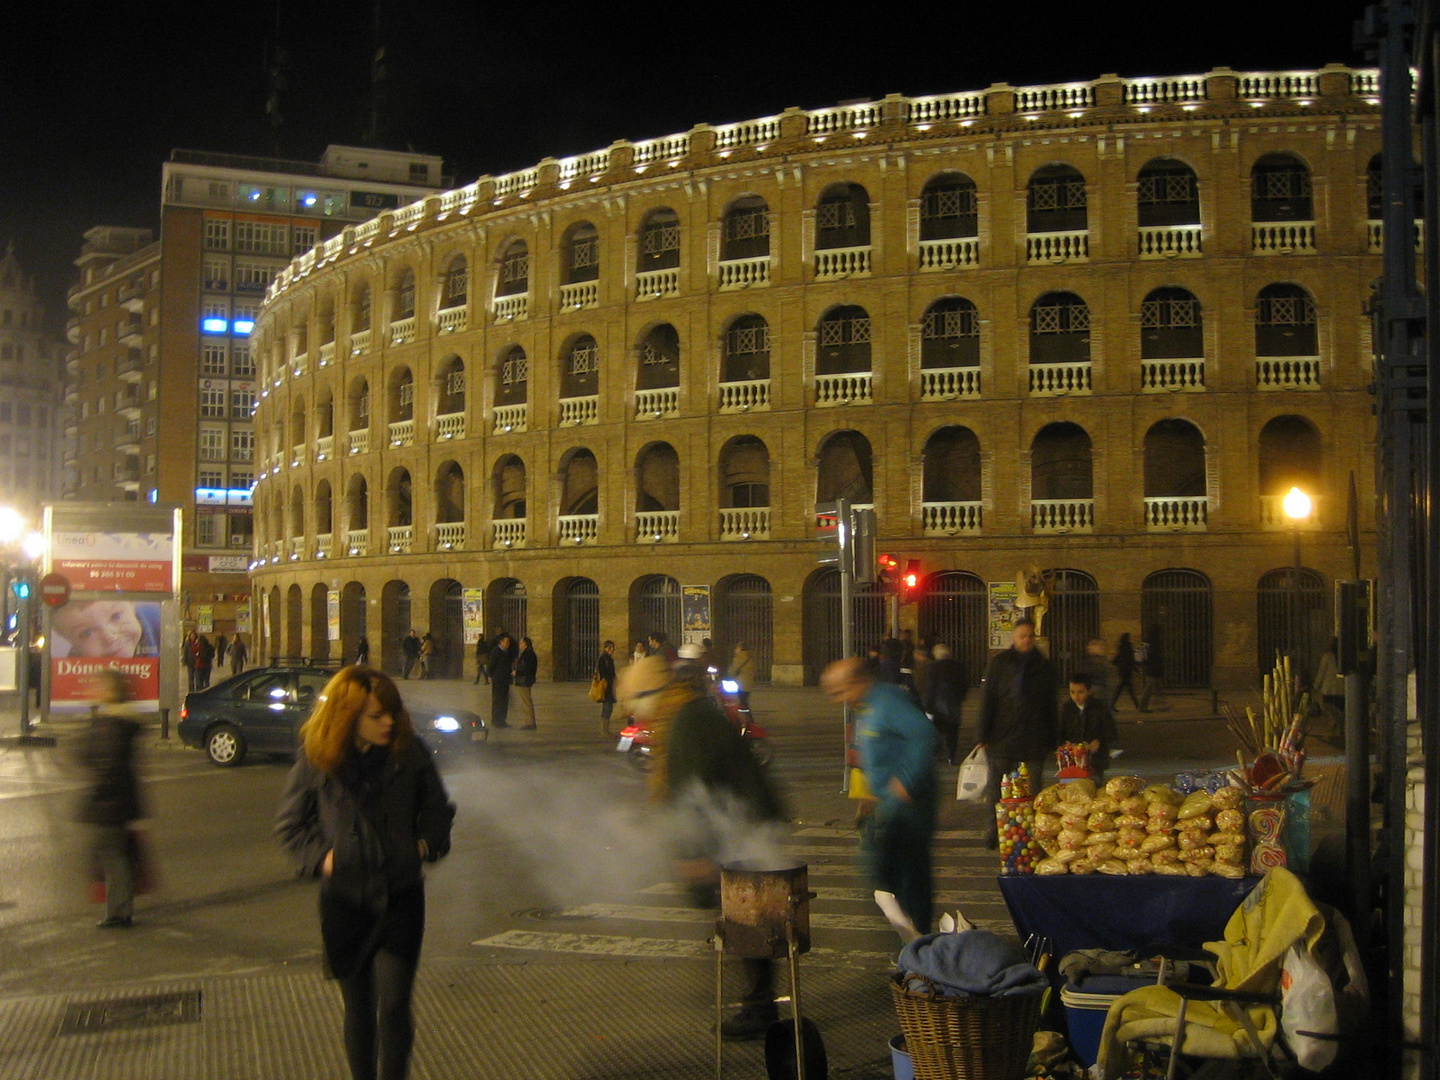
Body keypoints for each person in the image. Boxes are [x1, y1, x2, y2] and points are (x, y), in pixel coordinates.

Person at [275, 666, 455, 1080]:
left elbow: (437, 810)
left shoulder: (409, 753)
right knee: (358, 1006)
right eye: (376, 715)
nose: (389, 722)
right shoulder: (319, 756)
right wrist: (324, 859)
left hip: (400, 895)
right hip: (346, 901)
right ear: (348, 716)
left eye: (392, 712)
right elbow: (290, 824)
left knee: (393, 1005)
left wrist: (425, 844)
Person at [616, 654, 787, 1041]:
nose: (635, 709)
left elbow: (692, 789)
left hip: (740, 825)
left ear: (651, 693)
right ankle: (757, 1002)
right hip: (740, 822)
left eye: (636, 700)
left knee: (746, 919)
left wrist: (694, 851)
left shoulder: (687, 720)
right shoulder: (684, 711)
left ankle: (760, 1009)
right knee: (740, 917)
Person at [821, 656, 937, 942]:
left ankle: (918, 942)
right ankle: (911, 939)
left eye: (840, 692)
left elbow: (925, 735)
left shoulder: (888, 702)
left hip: (909, 808)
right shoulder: (867, 706)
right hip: (887, 805)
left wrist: (906, 782)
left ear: (857, 682)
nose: (838, 701)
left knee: (905, 875)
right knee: (884, 871)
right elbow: (881, 749)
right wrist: (871, 794)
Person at [975, 618, 1058, 849]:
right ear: (1014, 638)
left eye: (1030, 636)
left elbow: (1051, 704)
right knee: (996, 788)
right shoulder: (1000, 663)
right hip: (1003, 736)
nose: (1027, 640)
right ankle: (994, 829)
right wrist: (982, 735)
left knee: (1033, 789)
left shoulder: (1043, 666)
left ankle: (1031, 832)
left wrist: (1053, 738)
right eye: (1022, 636)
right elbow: (988, 700)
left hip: (1033, 738)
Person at [77, 670, 145, 929]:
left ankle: (119, 913)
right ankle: (120, 908)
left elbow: (105, 761)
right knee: (115, 855)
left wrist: (101, 795)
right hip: (119, 799)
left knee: (113, 856)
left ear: (110, 691)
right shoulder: (115, 720)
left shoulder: (112, 724)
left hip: (110, 801)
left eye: (98, 686)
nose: (92, 690)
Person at [1058, 673, 1119, 782]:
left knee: (1094, 788)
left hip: (1095, 760)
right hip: (1072, 761)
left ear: (1089, 691)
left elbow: (1110, 730)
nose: (1076, 696)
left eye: (1080, 692)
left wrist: (1099, 741)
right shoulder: (1067, 709)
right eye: (1072, 692)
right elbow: (1061, 731)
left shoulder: (1099, 707)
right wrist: (1065, 743)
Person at [52, 600, 161, 660]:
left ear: (131, 603)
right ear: (73, 643)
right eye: (87, 633)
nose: (110, 637)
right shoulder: (74, 666)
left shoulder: (159, 621)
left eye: (116, 616)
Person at [926, 643, 968, 765]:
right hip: (954, 705)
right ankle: (951, 756)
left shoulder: (934, 667)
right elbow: (964, 685)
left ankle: (936, 755)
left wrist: (928, 705)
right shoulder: (959, 666)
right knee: (952, 732)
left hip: (937, 706)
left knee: (936, 731)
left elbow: (931, 687)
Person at [1079, 638, 1117, 709]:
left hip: (1097, 689)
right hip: (1097, 688)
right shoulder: (1098, 660)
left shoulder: (1097, 660)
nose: (1088, 648)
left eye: (1091, 646)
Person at [1111, 632, 1144, 712]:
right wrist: (1135, 668)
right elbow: (1131, 660)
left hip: (1123, 671)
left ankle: (1111, 705)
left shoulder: (1121, 647)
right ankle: (1138, 706)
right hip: (1127, 671)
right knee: (1129, 690)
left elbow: (1117, 659)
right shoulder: (1128, 647)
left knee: (1121, 689)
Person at [487, 633, 514, 727]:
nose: (508, 644)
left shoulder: (506, 651)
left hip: (505, 679)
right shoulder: (496, 651)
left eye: (508, 642)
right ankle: (496, 720)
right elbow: (491, 664)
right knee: (498, 700)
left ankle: (502, 720)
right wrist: (489, 675)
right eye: (506, 642)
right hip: (498, 679)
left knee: (504, 700)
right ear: (501, 642)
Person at [511, 637, 538, 729]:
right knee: (526, 701)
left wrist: (517, 672)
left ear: (525, 644)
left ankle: (530, 723)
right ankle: (529, 722)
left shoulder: (527, 654)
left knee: (526, 702)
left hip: (525, 680)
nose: (519, 645)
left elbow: (526, 668)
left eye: (521, 643)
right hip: (525, 679)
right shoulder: (528, 653)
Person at [596, 640, 618, 734]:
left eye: (613, 647)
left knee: (607, 707)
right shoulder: (604, 659)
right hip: (606, 687)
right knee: (608, 708)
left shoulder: (607, 658)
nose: (612, 649)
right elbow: (604, 673)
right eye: (609, 647)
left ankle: (605, 729)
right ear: (605, 648)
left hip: (609, 686)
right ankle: (605, 730)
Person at [729, 641, 754, 712]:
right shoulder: (750, 657)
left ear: (740, 649)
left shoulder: (739, 658)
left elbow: (732, 670)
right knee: (744, 702)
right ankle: (748, 720)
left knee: (742, 704)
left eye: (737, 648)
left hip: (741, 684)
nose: (735, 650)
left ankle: (745, 720)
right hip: (748, 684)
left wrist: (727, 676)